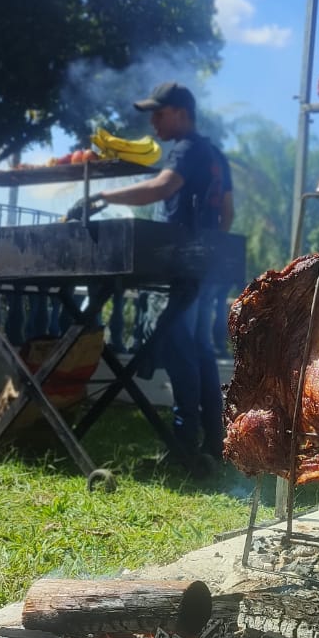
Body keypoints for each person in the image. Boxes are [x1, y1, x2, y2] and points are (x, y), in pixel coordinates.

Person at [90, 82, 234, 464]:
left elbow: (161, 186)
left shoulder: (187, 149)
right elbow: (228, 213)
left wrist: (103, 196)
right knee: (200, 349)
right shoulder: (215, 155)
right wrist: (209, 253)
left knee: (179, 347)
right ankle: (214, 440)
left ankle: (184, 442)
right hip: (203, 267)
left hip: (183, 265)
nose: (153, 121)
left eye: (160, 113)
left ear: (181, 114)